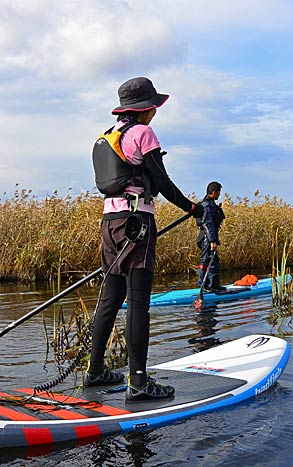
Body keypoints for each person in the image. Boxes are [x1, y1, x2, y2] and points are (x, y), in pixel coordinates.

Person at [87, 77, 204, 401]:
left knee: (110, 298)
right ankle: (138, 382)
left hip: (110, 223)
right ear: (146, 109)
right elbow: (162, 181)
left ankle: (95, 371)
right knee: (139, 301)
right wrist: (192, 207)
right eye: (153, 107)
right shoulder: (143, 132)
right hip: (137, 223)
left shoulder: (106, 136)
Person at [196, 181, 225, 292]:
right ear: (213, 192)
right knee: (206, 260)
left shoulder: (210, 203)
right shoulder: (207, 205)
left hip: (209, 237)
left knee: (214, 261)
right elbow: (208, 224)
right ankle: (204, 285)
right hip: (206, 238)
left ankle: (214, 285)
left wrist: (215, 239)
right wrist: (212, 240)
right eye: (218, 192)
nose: (219, 195)